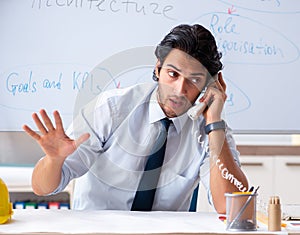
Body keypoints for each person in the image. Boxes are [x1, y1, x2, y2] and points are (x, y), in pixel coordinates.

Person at [23, 24, 249, 213]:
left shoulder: (210, 131)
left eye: (194, 79)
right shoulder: (111, 110)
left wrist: (214, 124)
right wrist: (54, 161)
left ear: (210, 85)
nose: (180, 90)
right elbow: (42, 188)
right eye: (173, 74)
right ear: (158, 68)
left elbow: (233, 208)